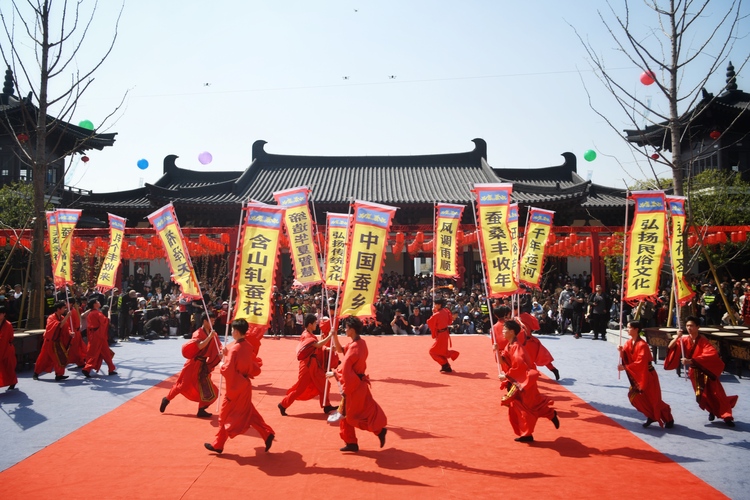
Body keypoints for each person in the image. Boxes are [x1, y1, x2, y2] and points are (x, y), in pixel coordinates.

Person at [204, 319, 275, 454]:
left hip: (235, 388)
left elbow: (228, 369)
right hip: (245, 385)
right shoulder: (247, 346)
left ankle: (218, 444)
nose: (231, 332)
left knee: (225, 415)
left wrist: (221, 364)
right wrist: (227, 353)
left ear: (236, 331)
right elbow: (247, 362)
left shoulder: (235, 349)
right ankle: (267, 433)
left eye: (232, 330)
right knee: (250, 413)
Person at [664, 315, 737, 427]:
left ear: (697, 327)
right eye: (687, 325)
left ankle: (727, 417)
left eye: (692, 326)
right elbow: (670, 346)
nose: (689, 328)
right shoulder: (684, 339)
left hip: (706, 371)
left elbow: (711, 354)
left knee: (717, 394)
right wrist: (677, 337)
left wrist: (691, 360)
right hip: (694, 373)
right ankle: (711, 410)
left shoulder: (703, 340)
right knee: (702, 396)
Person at [329, 316, 387, 452]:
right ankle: (352, 442)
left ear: (352, 330)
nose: (345, 329)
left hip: (355, 386)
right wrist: (334, 336)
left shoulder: (355, 347)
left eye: (347, 328)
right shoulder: (359, 343)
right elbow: (340, 350)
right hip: (357, 384)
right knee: (351, 414)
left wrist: (335, 374)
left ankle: (378, 431)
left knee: (352, 417)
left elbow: (345, 367)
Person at [496, 319, 559, 443]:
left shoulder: (517, 348)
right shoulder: (509, 345)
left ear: (512, 332)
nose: (502, 332)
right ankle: (532, 429)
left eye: (505, 330)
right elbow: (503, 361)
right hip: (519, 381)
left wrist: (507, 376)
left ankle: (528, 433)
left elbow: (520, 367)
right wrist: (496, 351)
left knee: (527, 407)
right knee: (524, 406)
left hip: (524, 382)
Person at [160, 312, 222, 418]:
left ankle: (201, 409)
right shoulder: (198, 333)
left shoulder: (213, 334)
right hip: (193, 363)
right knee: (182, 385)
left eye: (214, 320)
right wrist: (209, 337)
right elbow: (199, 346)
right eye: (211, 320)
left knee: (207, 388)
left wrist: (220, 354)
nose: (213, 322)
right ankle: (167, 399)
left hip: (203, 365)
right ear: (205, 321)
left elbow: (218, 346)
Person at [278, 314, 338, 416]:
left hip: (313, 365)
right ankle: (283, 404)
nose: (316, 325)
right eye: (315, 323)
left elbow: (317, 347)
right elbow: (318, 345)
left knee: (325, 384)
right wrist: (330, 336)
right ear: (310, 324)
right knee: (299, 389)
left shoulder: (310, 335)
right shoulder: (307, 335)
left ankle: (326, 406)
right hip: (307, 366)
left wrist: (328, 349)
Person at [618, 321, 674, 428]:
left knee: (653, 398)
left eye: (629, 327)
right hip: (638, 374)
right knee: (635, 397)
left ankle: (668, 417)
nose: (627, 329)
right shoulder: (628, 343)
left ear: (636, 329)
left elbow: (641, 362)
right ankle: (651, 415)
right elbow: (626, 357)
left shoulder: (642, 345)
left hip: (648, 375)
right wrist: (621, 351)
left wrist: (625, 367)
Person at [33, 301, 73, 381]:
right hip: (49, 341)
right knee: (43, 358)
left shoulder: (61, 318)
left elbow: (65, 328)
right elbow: (59, 326)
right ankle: (36, 373)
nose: (65, 309)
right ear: (58, 309)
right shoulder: (51, 317)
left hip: (58, 342)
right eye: (63, 308)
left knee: (60, 358)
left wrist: (70, 333)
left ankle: (59, 374)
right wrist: (67, 316)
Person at [81, 299, 117, 377]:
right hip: (98, 335)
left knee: (106, 353)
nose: (99, 302)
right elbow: (106, 321)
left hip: (95, 335)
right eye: (97, 301)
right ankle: (87, 368)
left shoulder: (91, 313)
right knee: (94, 353)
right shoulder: (97, 313)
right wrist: (108, 314)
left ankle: (111, 368)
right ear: (94, 304)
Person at [426, 297, 459, 373]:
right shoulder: (446, 310)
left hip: (441, 335)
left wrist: (434, 313)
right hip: (444, 333)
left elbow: (429, 322)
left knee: (433, 352)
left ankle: (447, 361)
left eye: (435, 304)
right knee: (440, 351)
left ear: (439, 305)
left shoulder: (437, 314)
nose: (434, 306)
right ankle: (445, 366)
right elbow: (449, 321)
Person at [0, 306, 18, 390]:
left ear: (4, 314)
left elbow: (11, 337)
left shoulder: (8, 325)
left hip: (6, 349)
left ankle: (12, 382)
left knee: (9, 367)